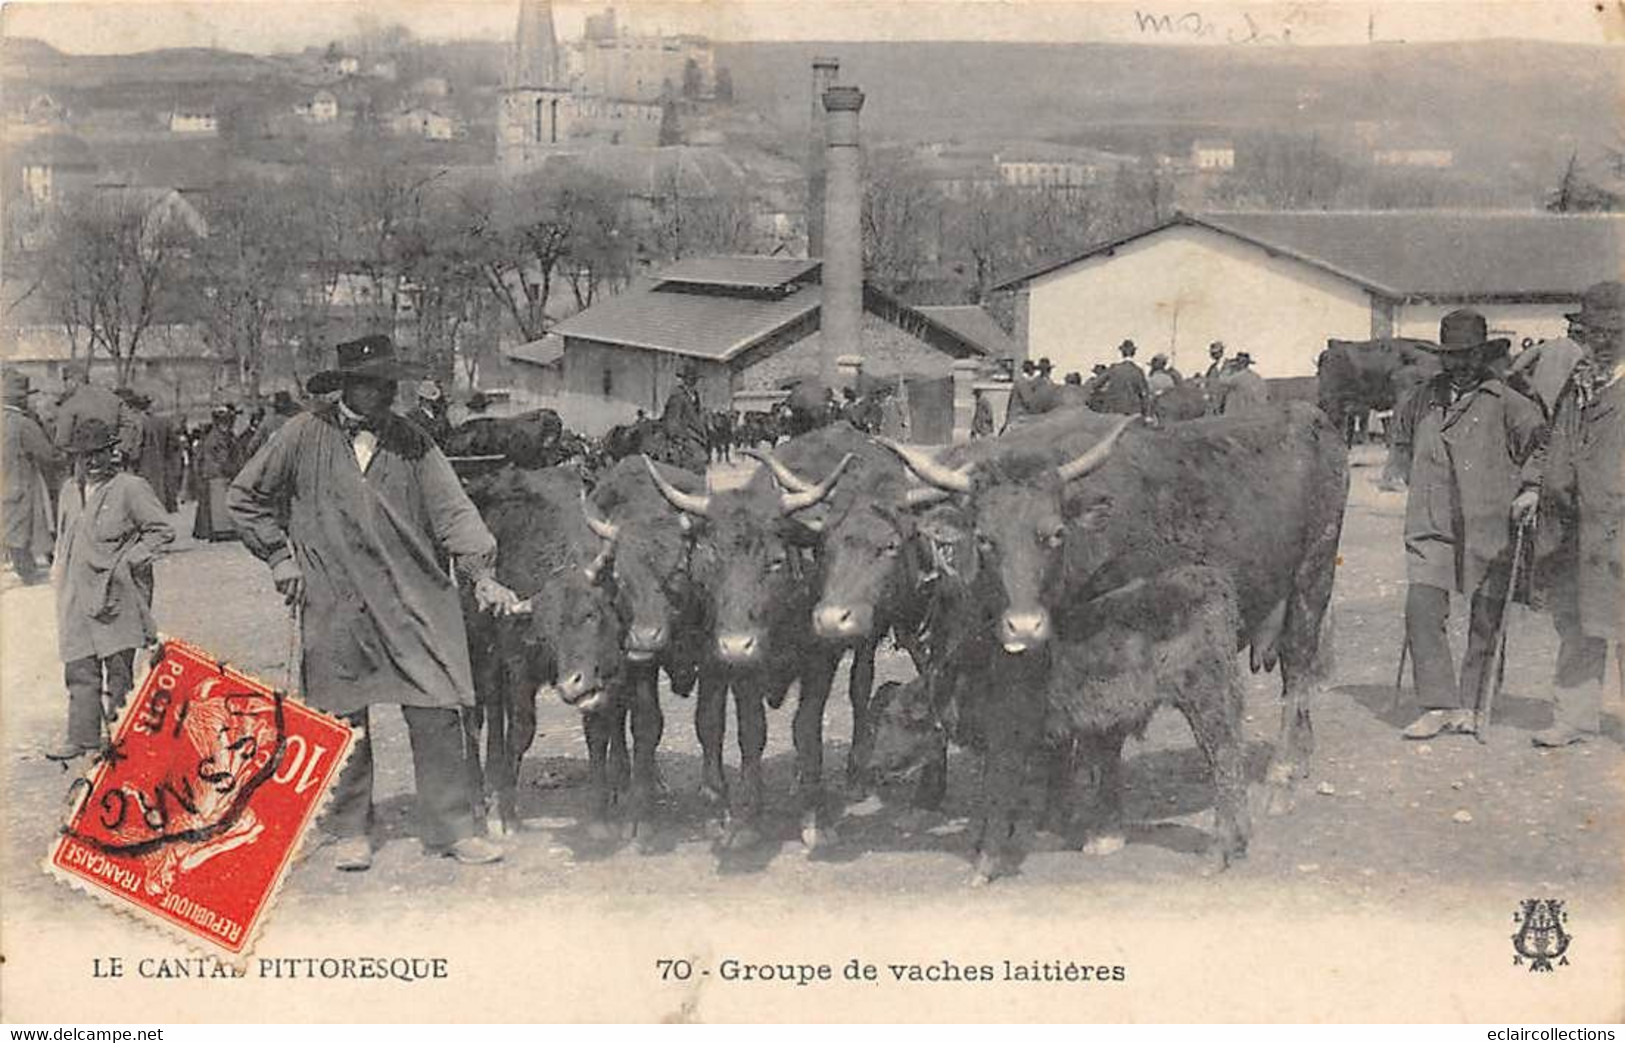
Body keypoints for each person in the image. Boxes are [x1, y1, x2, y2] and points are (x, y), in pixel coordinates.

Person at [228, 334, 519, 870]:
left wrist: (481, 572)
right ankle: (349, 830)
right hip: (334, 595)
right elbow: (245, 498)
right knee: (342, 713)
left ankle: (452, 826)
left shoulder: (414, 443)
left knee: (436, 704)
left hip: (411, 594)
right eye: (373, 384)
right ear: (347, 387)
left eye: (390, 385)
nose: (385, 394)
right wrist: (278, 558)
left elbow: (453, 511)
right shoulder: (301, 436)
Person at [1397, 310, 1545, 740]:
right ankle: (1437, 704)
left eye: (1467, 356)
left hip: (1488, 525)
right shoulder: (1423, 397)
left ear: (1482, 355)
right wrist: (1412, 473)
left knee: (1485, 617)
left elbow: (1542, 445)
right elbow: (1402, 439)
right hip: (1430, 523)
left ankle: (1474, 703)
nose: (1459, 364)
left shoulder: (1508, 402)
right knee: (1421, 610)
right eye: (1451, 356)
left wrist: (1531, 488)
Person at [1514, 281, 1624, 746]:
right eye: (1592, 331)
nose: (1600, 341)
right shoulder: (1577, 382)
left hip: (1619, 523)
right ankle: (1575, 718)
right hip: (1573, 524)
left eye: (1611, 333)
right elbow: (1548, 441)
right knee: (1577, 619)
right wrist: (1532, 487)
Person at [48, 418, 174, 760]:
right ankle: (82, 736)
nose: (91, 462)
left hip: (116, 593)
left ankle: (121, 736)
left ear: (112, 453)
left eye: (98, 454)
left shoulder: (130, 488)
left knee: (118, 667)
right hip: (76, 593)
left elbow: (161, 531)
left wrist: (132, 561)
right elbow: (61, 541)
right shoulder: (68, 492)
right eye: (84, 455)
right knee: (78, 664)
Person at [3, 371, 60, 585]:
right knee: (19, 530)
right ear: (22, 398)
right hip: (19, 484)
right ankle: (27, 572)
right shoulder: (23, 424)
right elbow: (47, 453)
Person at [53, 360, 142, 464]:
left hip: (85, 463)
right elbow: (131, 424)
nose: (65, 387)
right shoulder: (113, 398)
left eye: (65, 382)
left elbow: (62, 442)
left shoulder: (69, 405)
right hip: (112, 459)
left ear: (73, 381)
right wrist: (121, 448)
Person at [192, 404, 240, 542]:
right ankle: (221, 530)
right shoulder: (219, 437)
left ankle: (213, 530)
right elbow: (223, 457)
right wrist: (233, 470)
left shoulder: (215, 435)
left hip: (212, 473)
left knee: (213, 504)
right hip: (217, 474)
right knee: (218, 503)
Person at [128, 391, 181, 514]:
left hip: (143, 465)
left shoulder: (138, 421)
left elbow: (136, 447)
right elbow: (174, 445)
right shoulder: (164, 421)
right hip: (160, 465)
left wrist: (131, 459)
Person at [660, 363, 710, 470]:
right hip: (684, 437)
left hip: (696, 436)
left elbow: (696, 416)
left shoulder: (695, 395)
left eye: (694, 379)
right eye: (690, 379)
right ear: (685, 380)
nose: (693, 382)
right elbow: (672, 419)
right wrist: (678, 437)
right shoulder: (678, 396)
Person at [1093, 339, 1152, 417]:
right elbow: (1144, 394)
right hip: (1132, 412)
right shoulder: (1138, 371)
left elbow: (1095, 385)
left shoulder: (1114, 369)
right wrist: (1147, 415)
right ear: (1134, 353)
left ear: (1122, 353)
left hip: (1113, 410)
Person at [411, 379, 453, 446]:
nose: (434, 402)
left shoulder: (440, 414)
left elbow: (448, 433)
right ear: (423, 400)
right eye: (429, 400)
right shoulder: (413, 416)